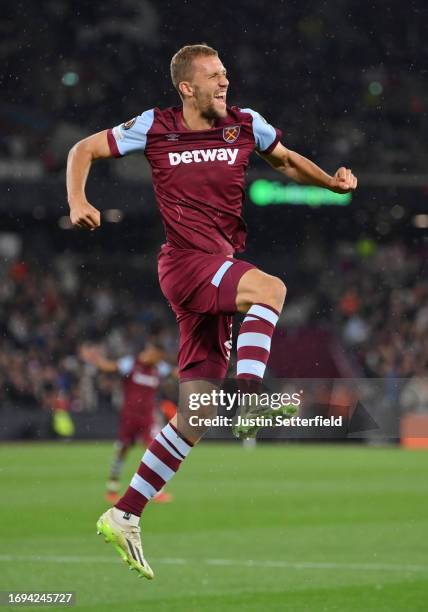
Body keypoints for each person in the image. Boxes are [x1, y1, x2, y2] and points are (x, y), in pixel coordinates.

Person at [66, 43, 357, 579]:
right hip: (185, 264)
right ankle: (249, 401)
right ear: (187, 87)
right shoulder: (154, 126)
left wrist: (332, 184)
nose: (226, 83)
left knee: (196, 414)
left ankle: (124, 512)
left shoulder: (247, 124)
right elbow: (82, 149)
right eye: (215, 77)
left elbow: (287, 160)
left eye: (227, 74)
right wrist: (78, 201)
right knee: (270, 289)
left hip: (216, 267)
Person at [79, 342, 174, 504]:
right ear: (150, 351)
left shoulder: (159, 367)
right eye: (158, 355)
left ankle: (157, 491)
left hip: (147, 417)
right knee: (122, 450)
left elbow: (177, 372)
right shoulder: (131, 363)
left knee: (155, 450)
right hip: (129, 416)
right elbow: (108, 367)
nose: (159, 359)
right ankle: (112, 488)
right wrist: (94, 358)